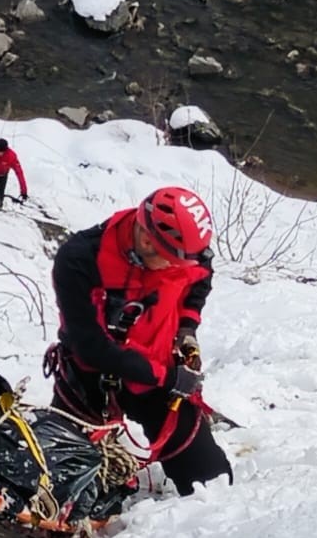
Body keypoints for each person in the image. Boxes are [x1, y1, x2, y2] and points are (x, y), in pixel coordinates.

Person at [45, 186, 230, 496]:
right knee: (56, 485)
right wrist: (169, 377)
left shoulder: (186, 252)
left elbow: (199, 281)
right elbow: (91, 347)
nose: (177, 268)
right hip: (90, 380)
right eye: (170, 262)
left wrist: (187, 328)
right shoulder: (80, 260)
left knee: (211, 483)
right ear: (146, 241)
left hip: (158, 380)